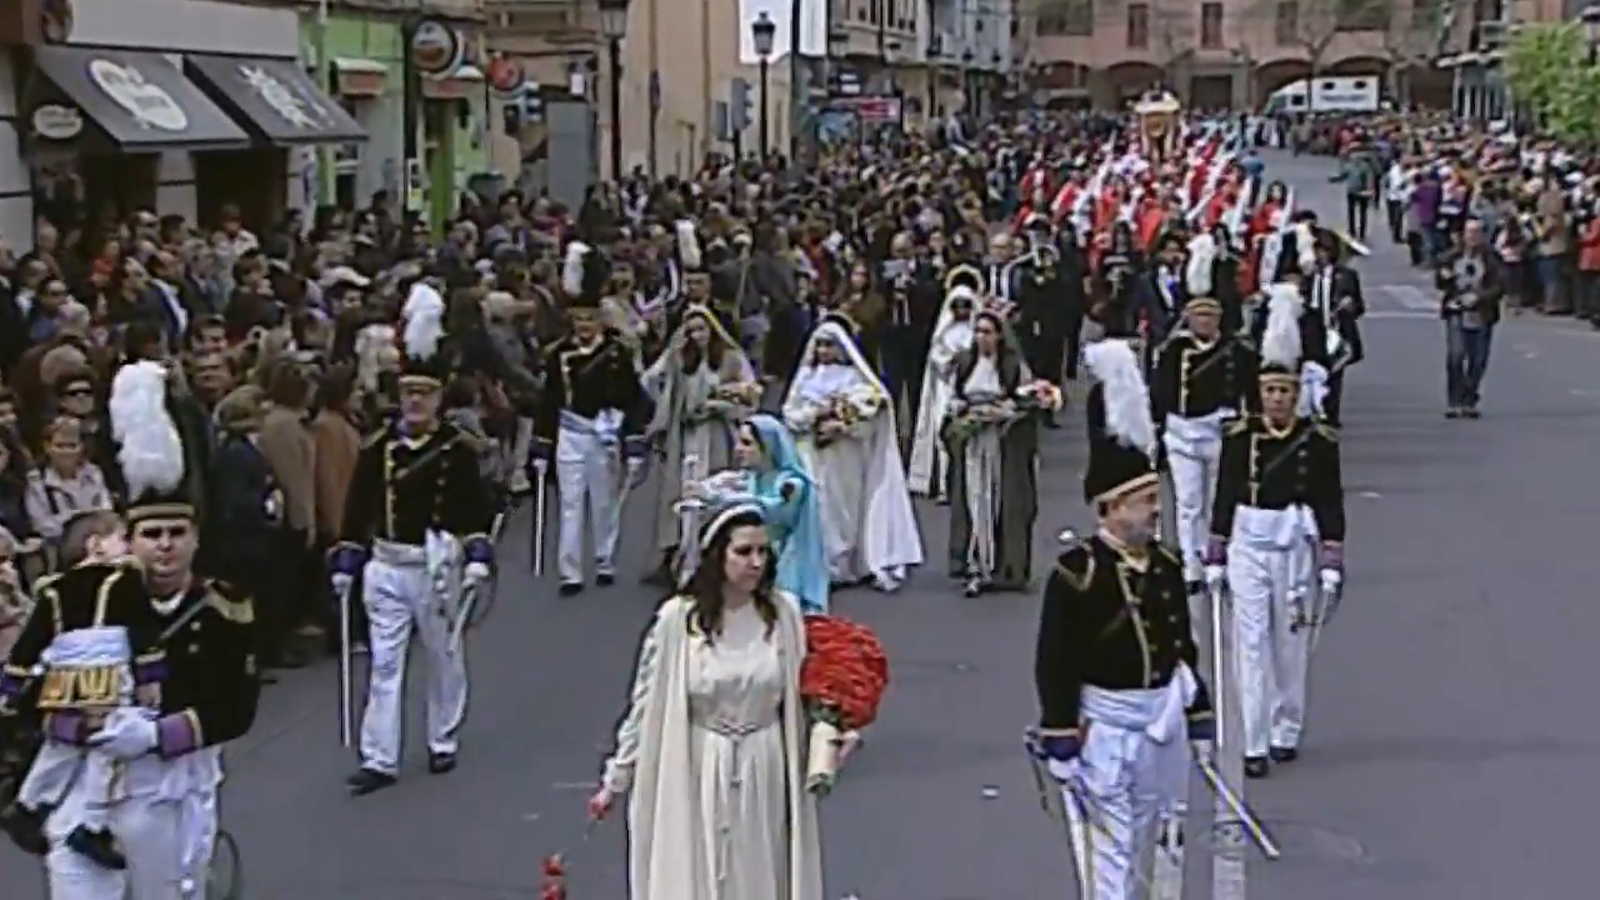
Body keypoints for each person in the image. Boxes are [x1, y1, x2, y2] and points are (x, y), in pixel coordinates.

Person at [24, 364, 260, 899]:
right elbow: (34, 693)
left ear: (196, 539)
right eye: (151, 533)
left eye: (177, 533)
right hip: (84, 791)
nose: (165, 545)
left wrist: (155, 735)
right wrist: (79, 726)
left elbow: (235, 705)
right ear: (130, 540)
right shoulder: (85, 603)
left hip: (170, 789)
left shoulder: (222, 608)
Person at [1031, 343, 1213, 900]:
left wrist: (1197, 708)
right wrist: (1061, 735)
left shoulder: (1166, 564)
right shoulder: (1077, 572)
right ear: (1108, 509)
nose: (1154, 510)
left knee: (1158, 840)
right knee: (1110, 858)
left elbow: (1182, 642)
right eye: (1141, 501)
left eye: (1155, 498)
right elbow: (1055, 660)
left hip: (1161, 718)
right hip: (1104, 727)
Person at [588, 503, 823, 900]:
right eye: (744, 552)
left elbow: (809, 692)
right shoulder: (679, 620)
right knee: (701, 870)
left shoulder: (784, 614)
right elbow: (645, 703)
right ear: (719, 555)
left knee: (757, 871)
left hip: (764, 765)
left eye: (763, 552)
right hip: (700, 762)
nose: (755, 563)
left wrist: (831, 732)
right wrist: (617, 777)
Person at [329, 294, 496, 795]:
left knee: (443, 654)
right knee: (384, 662)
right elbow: (358, 506)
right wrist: (347, 554)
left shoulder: (455, 451)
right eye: (409, 394)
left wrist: (478, 552)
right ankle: (379, 756)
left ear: (440, 398)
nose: (416, 403)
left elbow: (475, 507)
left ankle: (442, 737)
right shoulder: (378, 448)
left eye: (425, 394)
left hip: (434, 566)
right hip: (386, 564)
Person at [1206, 283, 1345, 779]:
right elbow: (1224, 491)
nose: (1277, 400)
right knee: (1250, 641)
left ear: (1296, 394)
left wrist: (1331, 556)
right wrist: (1216, 551)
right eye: (1269, 391)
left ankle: (1288, 724)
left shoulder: (1318, 442)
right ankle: (1253, 739)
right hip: (1248, 538)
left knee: (1289, 642)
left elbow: (1330, 497)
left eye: (1285, 391)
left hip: (1293, 543)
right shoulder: (1241, 438)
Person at [0, 510, 162, 870]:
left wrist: (11, 685)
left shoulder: (52, 590)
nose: (127, 546)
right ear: (96, 544)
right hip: (107, 674)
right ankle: (92, 824)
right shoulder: (124, 582)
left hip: (66, 678)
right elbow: (142, 631)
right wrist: (150, 677)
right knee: (110, 742)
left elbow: (30, 643)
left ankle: (28, 805)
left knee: (63, 744)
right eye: (121, 537)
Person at [530, 241, 650, 595]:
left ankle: (604, 558)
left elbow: (633, 397)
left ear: (601, 319)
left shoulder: (617, 353)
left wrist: (633, 436)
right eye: (578, 319)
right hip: (570, 431)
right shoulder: (560, 356)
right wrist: (541, 443)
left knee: (603, 499)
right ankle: (570, 571)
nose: (584, 325)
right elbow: (548, 400)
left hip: (605, 432)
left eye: (589, 318)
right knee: (569, 503)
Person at [1150, 232, 1256, 600]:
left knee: (1219, 501)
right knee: (1188, 502)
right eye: (1198, 315)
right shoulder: (1173, 350)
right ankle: (1192, 565)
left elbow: (1251, 393)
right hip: (1181, 430)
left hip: (1219, 430)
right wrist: (1157, 428)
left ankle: (1219, 561)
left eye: (1211, 315)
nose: (1204, 322)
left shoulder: (1236, 352)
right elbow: (1160, 392)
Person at [780, 321, 922, 592]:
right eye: (820, 344)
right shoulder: (805, 378)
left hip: (845, 455)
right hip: (811, 451)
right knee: (817, 506)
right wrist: (814, 417)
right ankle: (821, 565)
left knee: (843, 509)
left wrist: (844, 427)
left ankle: (844, 563)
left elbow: (870, 418)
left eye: (829, 344)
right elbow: (790, 413)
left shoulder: (855, 379)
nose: (823, 350)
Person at [640, 305, 759, 584]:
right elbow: (649, 381)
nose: (697, 336)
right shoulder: (681, 361)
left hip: (719, 435)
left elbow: (750, 395)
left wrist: (723, 405)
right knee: (685, 495)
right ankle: (681, 556)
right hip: (688, 437)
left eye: (701, 329)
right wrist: (670, 352)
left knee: (715, 492)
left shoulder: (731, 358)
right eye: (690, 331)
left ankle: (715, 557)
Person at [942, 308, 1041, 595]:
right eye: (978, 332)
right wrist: (962, 414)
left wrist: (1003, 413)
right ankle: (976, 563)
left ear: (999, 335)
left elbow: (1026, 401)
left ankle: (1004, 565)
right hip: (974, 445)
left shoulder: (1012, 366)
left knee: (1003, 502)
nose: (981, 338)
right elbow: (954, 398)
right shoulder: (965, 363)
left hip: (1002, 446)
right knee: (974, 500)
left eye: (987, 332)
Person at [687, 413, 828, 613]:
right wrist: (704, 490)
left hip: (783, 564)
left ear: (768, 447)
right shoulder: (751, 477)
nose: (738, 450)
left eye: (747, 443)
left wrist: (718, 498)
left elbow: (768, 510)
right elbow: (726, 484)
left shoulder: (792, 484)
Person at [906, 275, 978, 501]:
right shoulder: (943, 333)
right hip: (946, 390)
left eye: (966, 305)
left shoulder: (978, 331)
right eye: (956, 306)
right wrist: (951, 359)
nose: (961, 310)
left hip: (972, 390)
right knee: (943, 434)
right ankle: (946, 486)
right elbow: (937, 360)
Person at [1437, 218, 1503, 419]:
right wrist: (1444, 277)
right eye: (1469, 232)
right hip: (1457, 310)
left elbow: (1500, 286)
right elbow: (1440, 281)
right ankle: (1454, 401)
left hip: (1482, 313)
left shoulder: (1491, 258)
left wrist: (1479, 297)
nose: (1472, 237)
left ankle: (1469, 399)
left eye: (1477, 232)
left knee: (1478, 359)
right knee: (1456, 356)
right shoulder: (1452, 256)